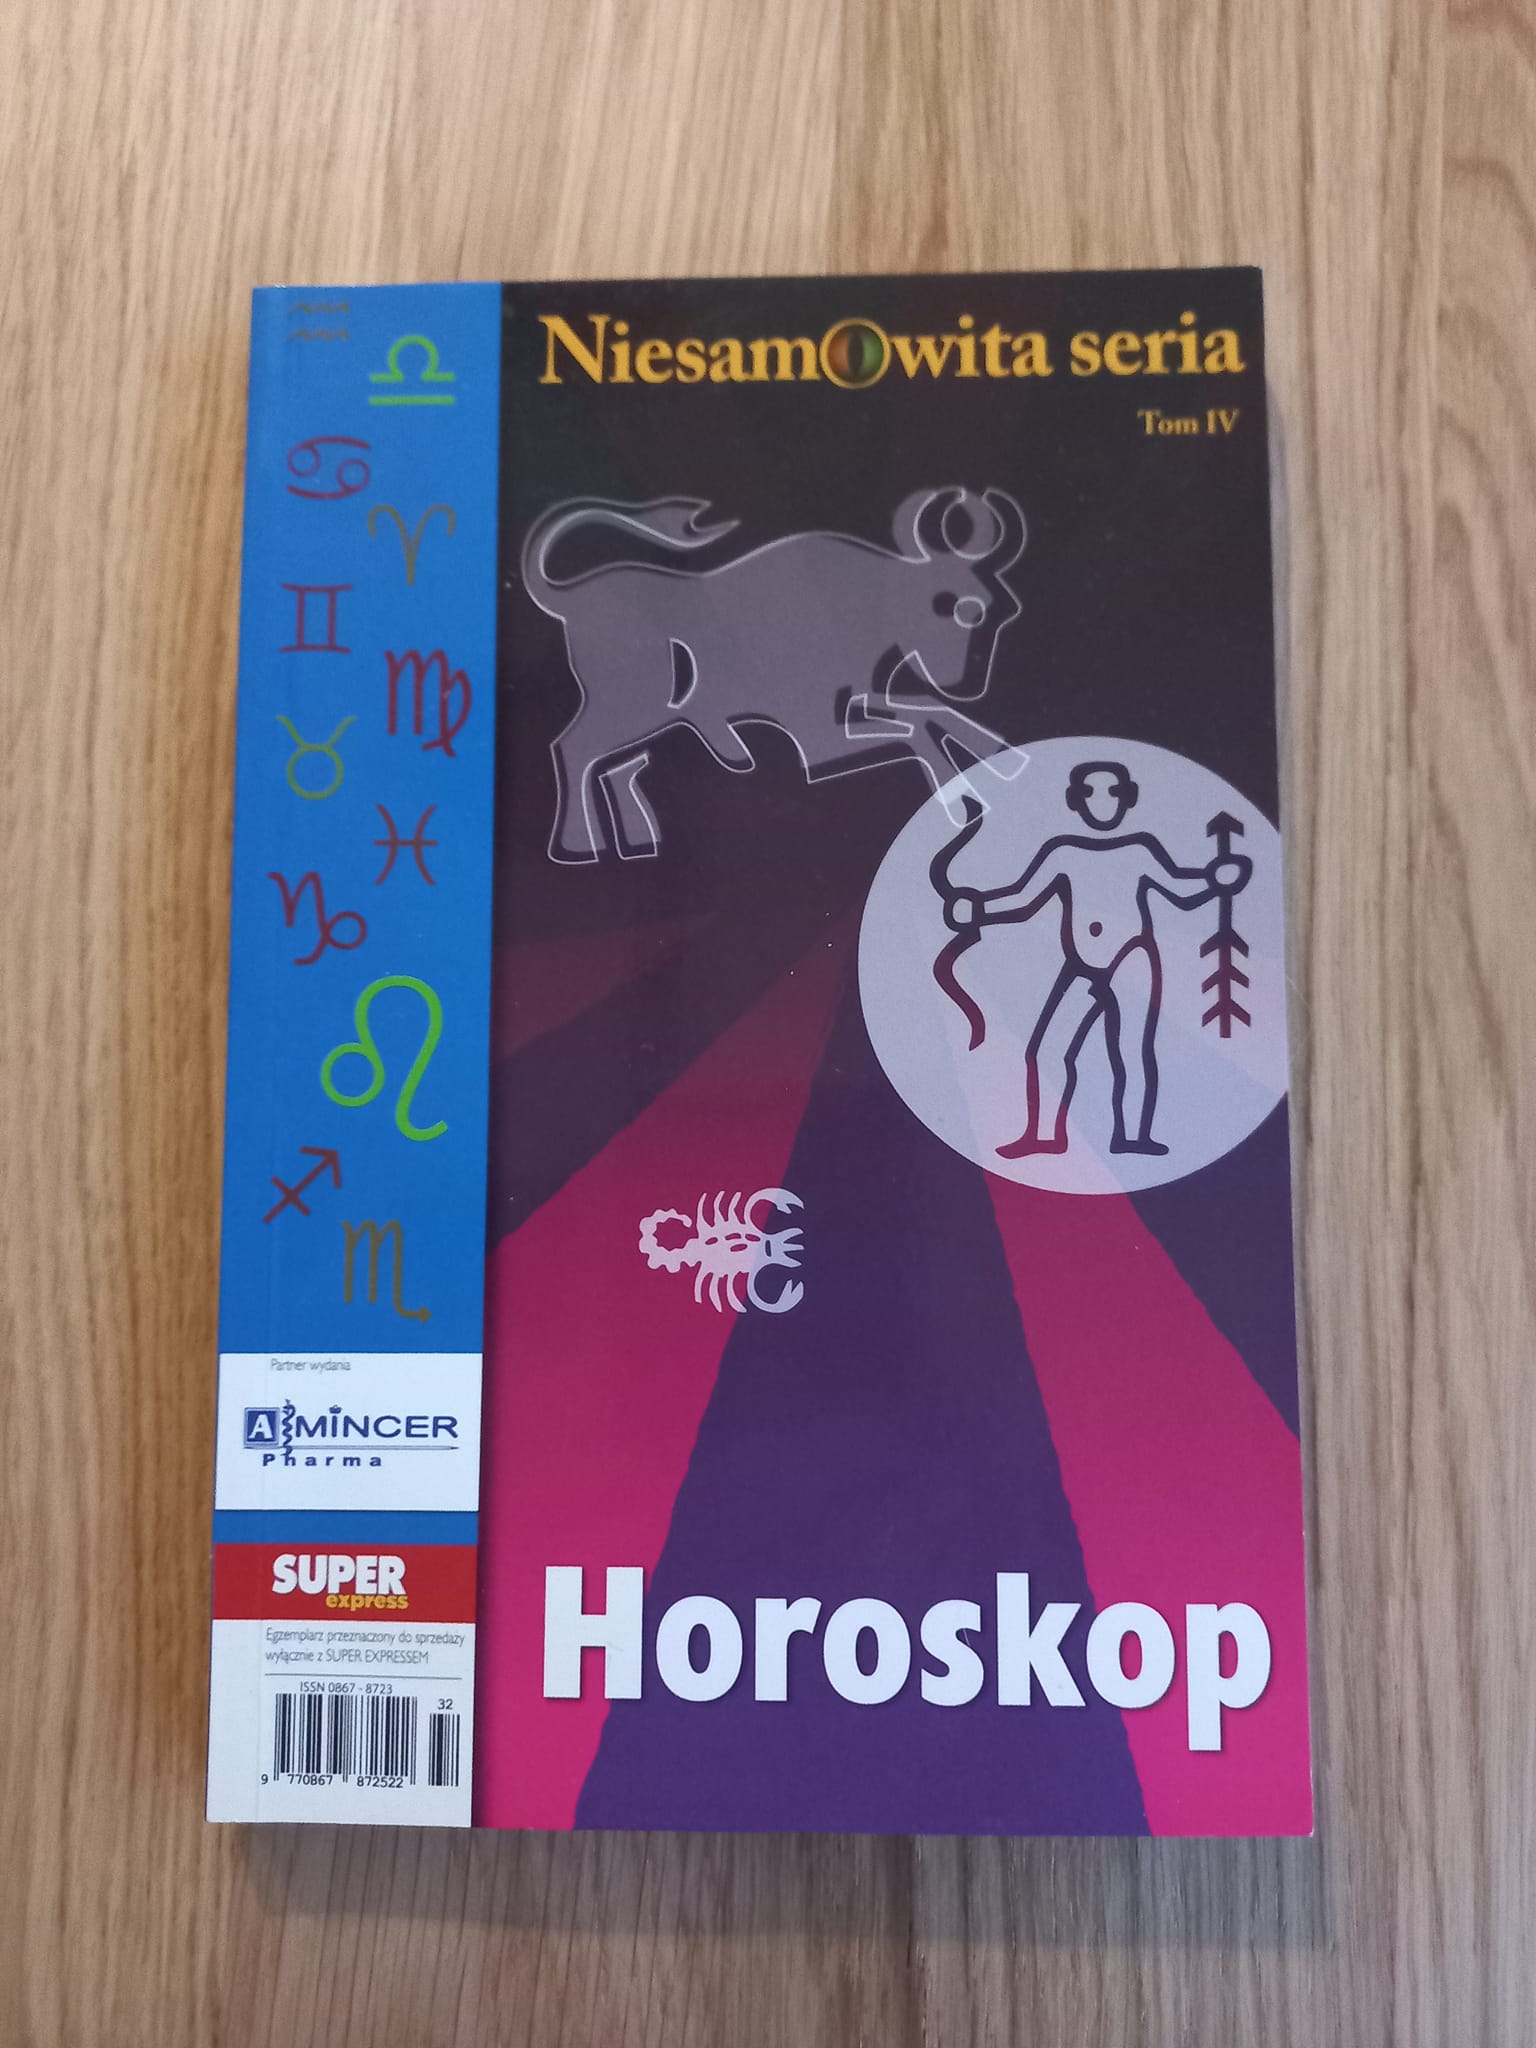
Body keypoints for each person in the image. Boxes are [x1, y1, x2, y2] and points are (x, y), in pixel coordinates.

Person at [931, 761, 1251, 1157]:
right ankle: (1044, 1135)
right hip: (1081, 964)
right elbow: (1024, 899)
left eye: (1113, 792)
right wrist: (978, 908)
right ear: (1076, 801)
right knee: (1046, 1051)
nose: (1102, 801)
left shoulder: (1138, 850)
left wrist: (1215, 880)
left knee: (1130, 1053)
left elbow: (1180, 888)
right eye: (1090, 793)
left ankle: (1133, 1137)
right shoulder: (1064, 852)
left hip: (1130, 959)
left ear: (1127, 798)